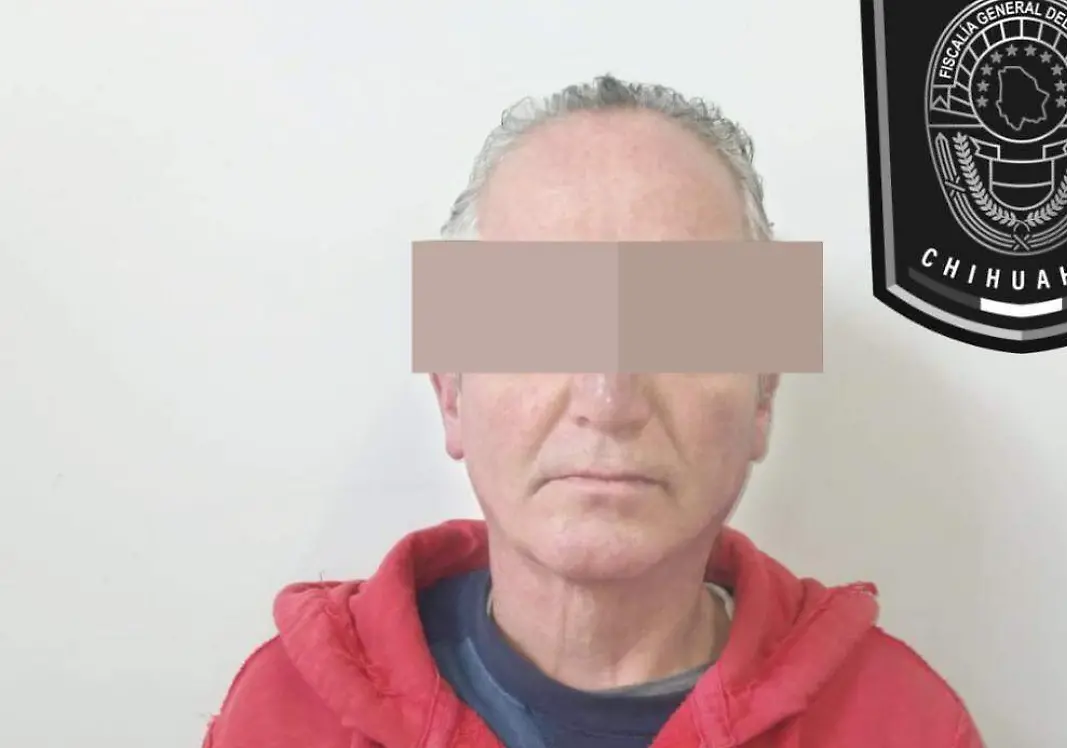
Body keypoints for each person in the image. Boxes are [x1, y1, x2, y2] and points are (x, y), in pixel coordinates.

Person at [203, 74, 985, 748]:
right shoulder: (286, 715)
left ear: (763, 399)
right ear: (450, 393)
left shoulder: (900, 724)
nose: (609, 401)